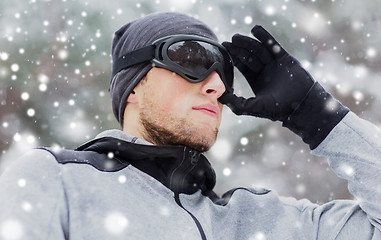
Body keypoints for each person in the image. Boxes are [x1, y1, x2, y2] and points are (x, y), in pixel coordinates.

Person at [0, 11, 380, 240]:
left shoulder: (256, 221)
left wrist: (319, 117)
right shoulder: (56, 180)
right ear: (133, 87)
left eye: (224, 72)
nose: (216, 85)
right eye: (192, 59)